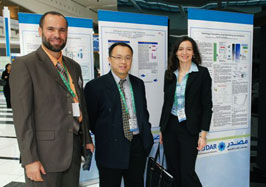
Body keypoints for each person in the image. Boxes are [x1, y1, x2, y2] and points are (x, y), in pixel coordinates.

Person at [9, 11, 94, 187]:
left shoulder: (74, 67)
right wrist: (29, 159)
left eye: (62, 30)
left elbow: (80, 104)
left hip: (73, 152)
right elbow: (22, 118)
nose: (57, 35)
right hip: (44, 157)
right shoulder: (25, 65)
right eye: (51, 29)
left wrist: (86, 139)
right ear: (40, 31)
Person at [84, 42, 154, 187]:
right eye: (118, 57)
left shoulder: (138, 84)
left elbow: (143, 113)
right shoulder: (95, 87)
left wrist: (145, 140)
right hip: (110, 150)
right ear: (109, 59)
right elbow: (91, 120)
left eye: (128, 58)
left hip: (137, 148)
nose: (123, 62)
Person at [159, 36, 213, 187]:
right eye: (181, 49)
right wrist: (162, 129)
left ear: (194, 53)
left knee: (187, 171)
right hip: (170, 127)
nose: (185, 52)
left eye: (189, 49)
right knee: (173, 170)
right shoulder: (169, 73)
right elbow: (166, 103)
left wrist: (203, 135)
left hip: (190, 129)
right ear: (175, 53)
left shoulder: (202, 73)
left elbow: (207, 106)